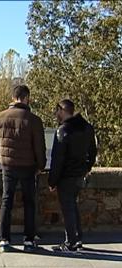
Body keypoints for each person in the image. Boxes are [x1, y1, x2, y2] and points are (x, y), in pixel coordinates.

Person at [0, 84, 46, 252]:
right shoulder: (34, 120)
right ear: (27, 97)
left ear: (13, 98)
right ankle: (28, 239)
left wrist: (0, 160)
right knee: (29, 202)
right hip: (28, 167)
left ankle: (4, 239)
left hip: (8, 166)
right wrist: (40, 166)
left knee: (7, 200)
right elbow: (39, 147)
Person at [48, 99, 97, 252]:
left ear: (62, 111)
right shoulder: (87, 127)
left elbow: (57, 159)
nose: (56, 114)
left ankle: (70, 242)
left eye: (57, 111)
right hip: (79, 175)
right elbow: (93, 152)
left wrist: (52, 181)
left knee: (68, 208)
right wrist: (86, 168)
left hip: (66, 176)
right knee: (73, 206)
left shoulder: (63, 131)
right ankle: (78, 238)